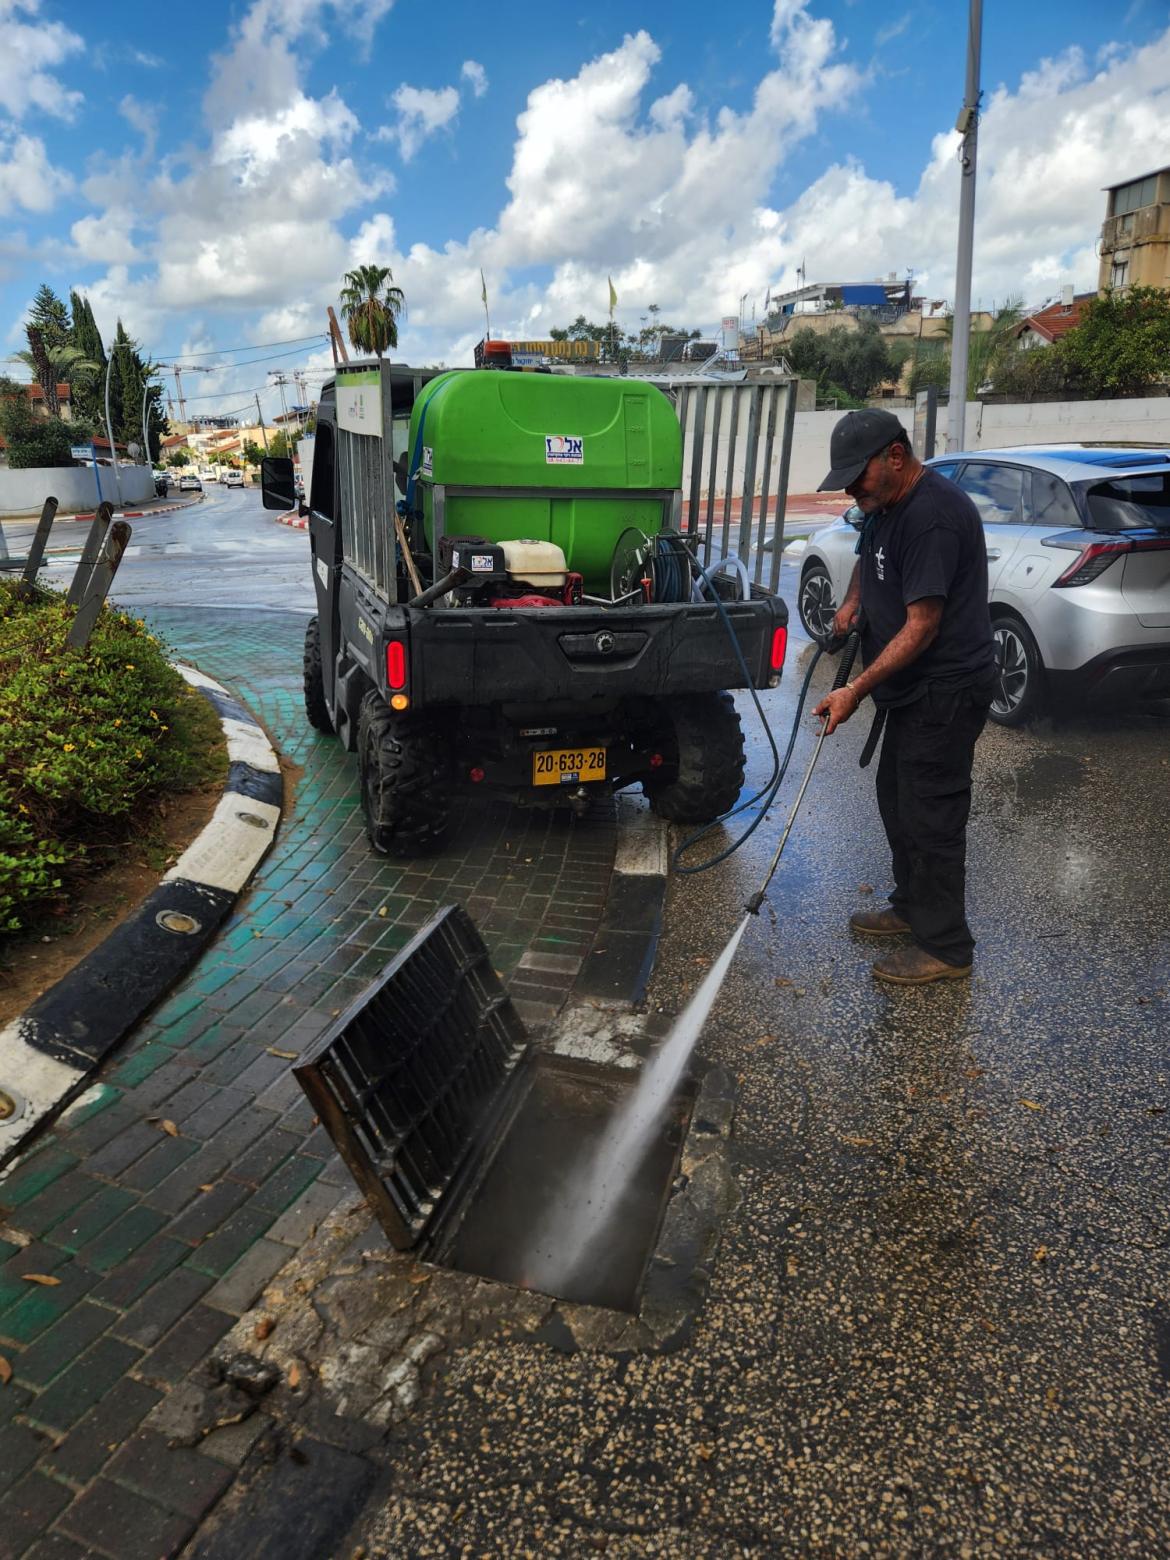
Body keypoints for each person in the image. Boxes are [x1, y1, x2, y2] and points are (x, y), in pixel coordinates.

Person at [812, 408, 995, 987]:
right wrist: (852, 602)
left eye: (855, 475)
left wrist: (853, 690)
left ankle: (946, 947)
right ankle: (912, 906)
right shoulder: (885, 506)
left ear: (895, 456)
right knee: (898, 801)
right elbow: (870, 554)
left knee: (932, 816)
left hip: (945, 690)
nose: (849, 489)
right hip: (912, 693)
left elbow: (922, 627)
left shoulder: (933, 517)